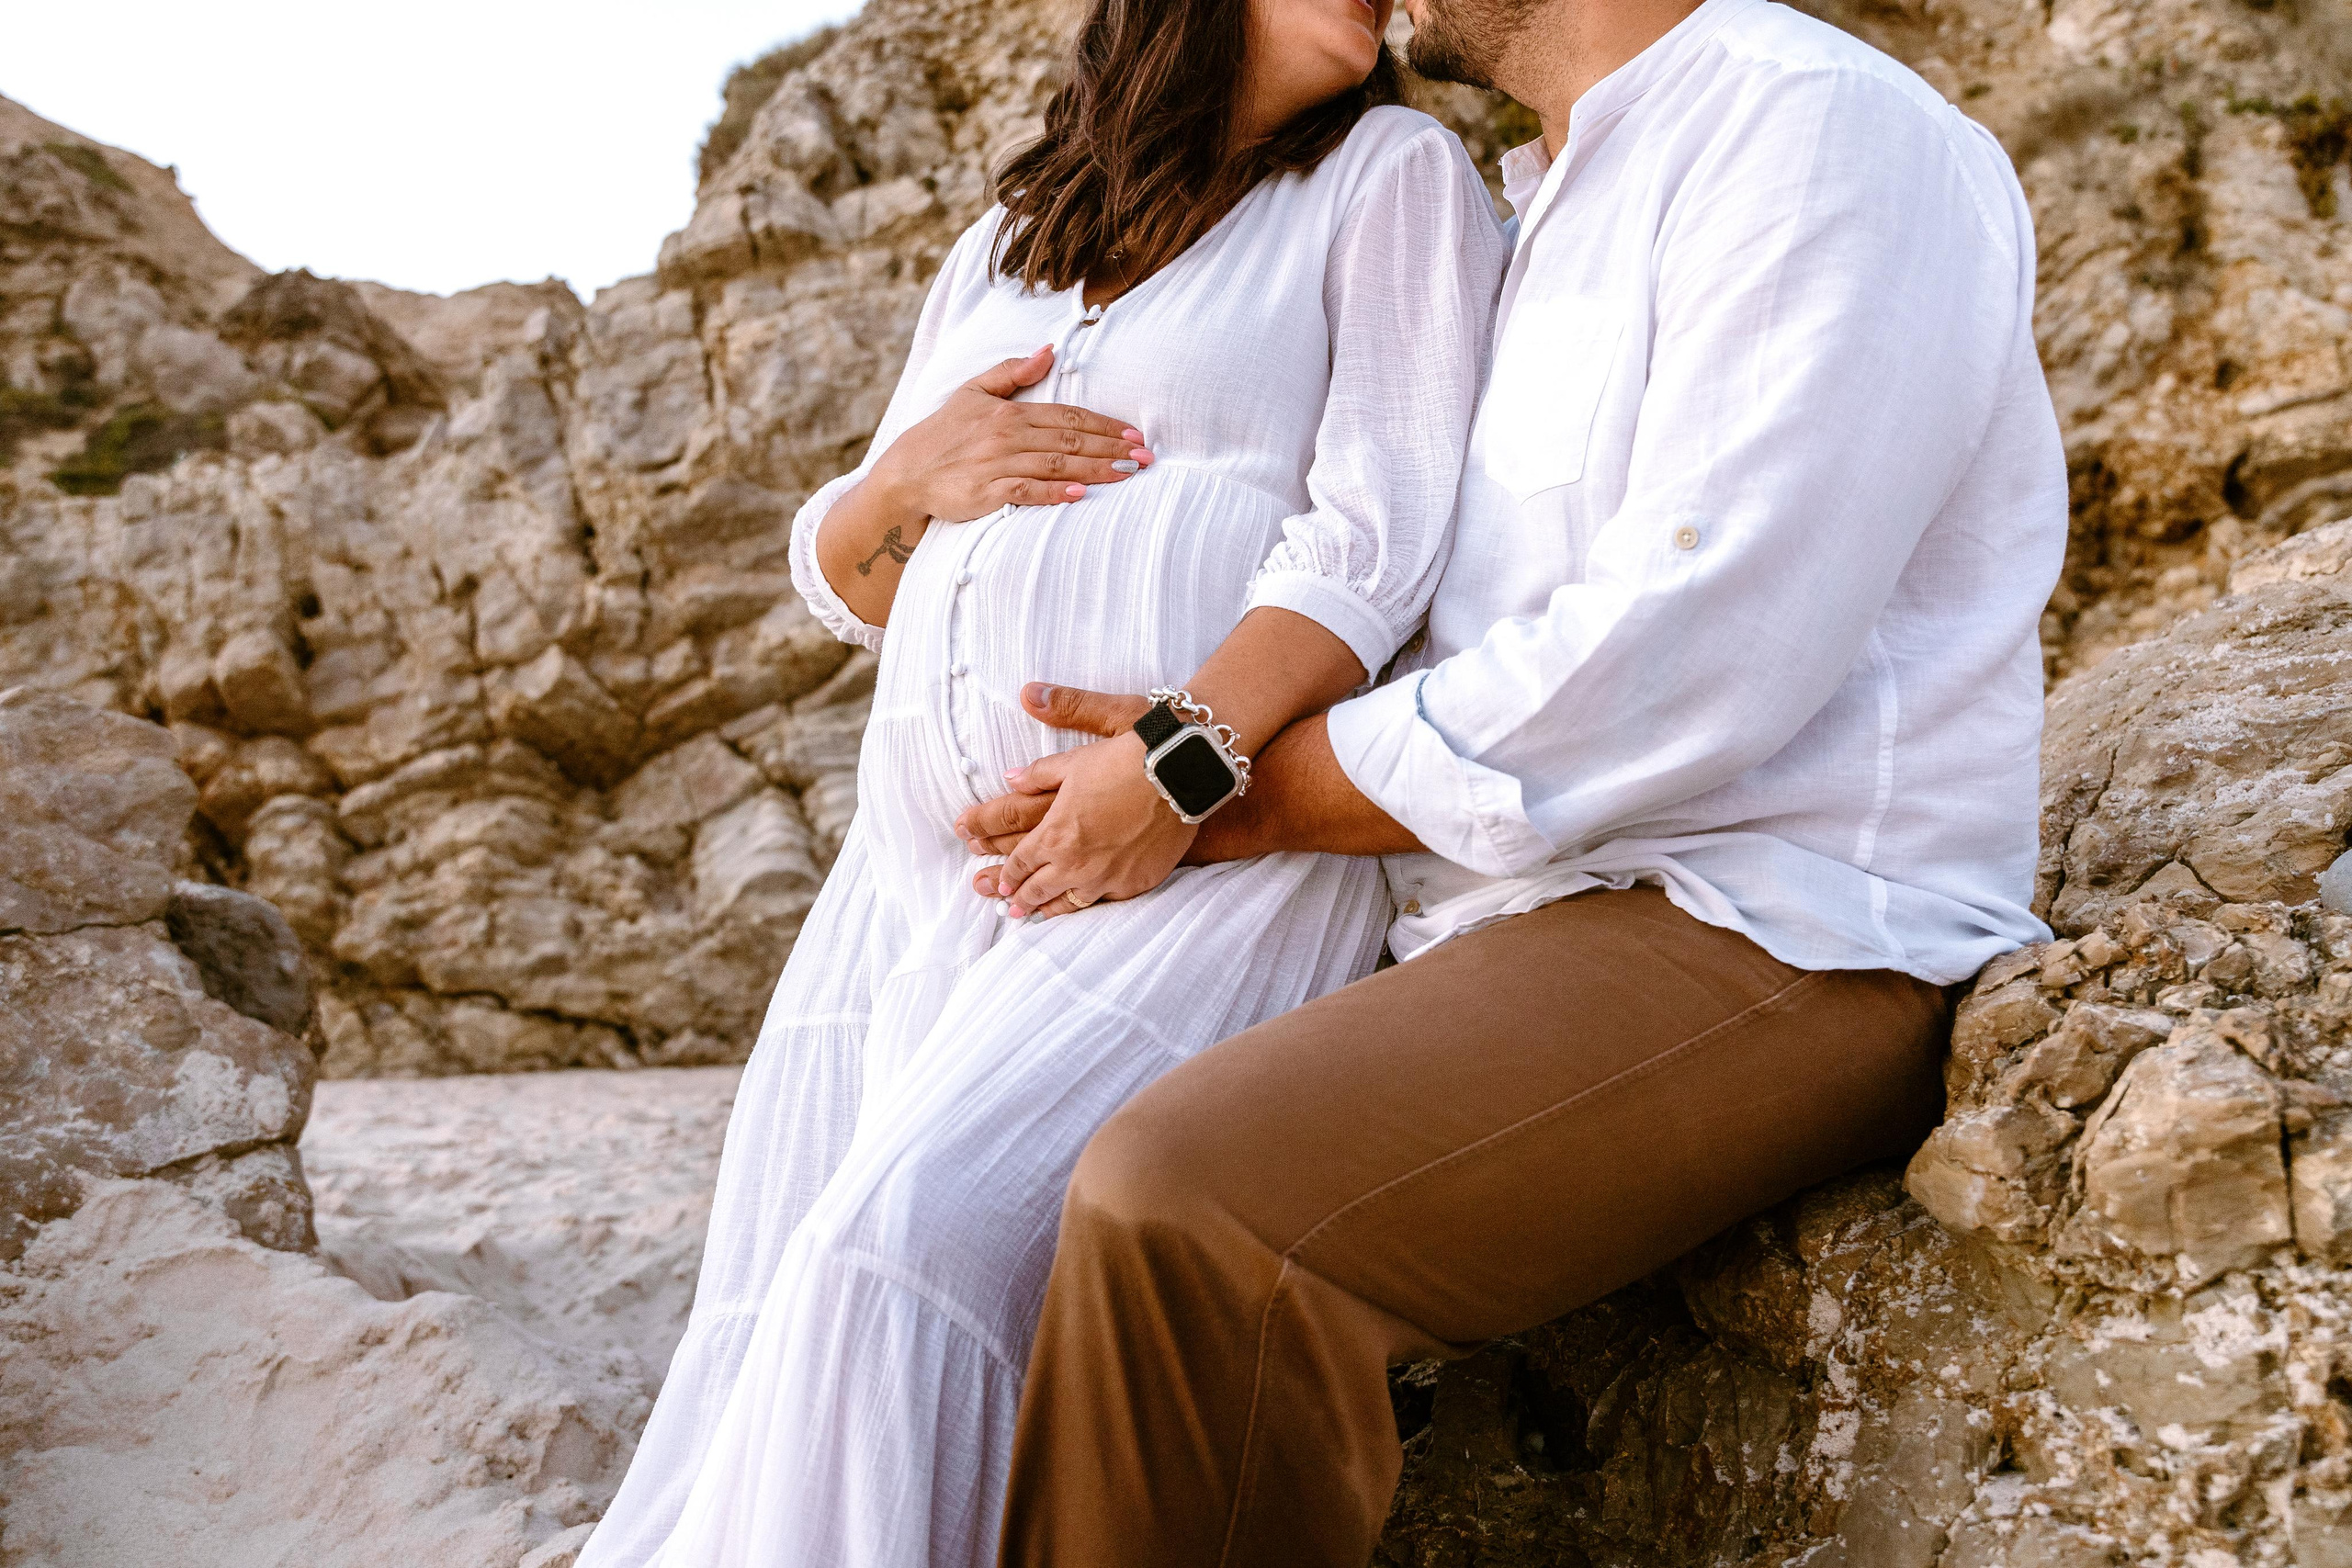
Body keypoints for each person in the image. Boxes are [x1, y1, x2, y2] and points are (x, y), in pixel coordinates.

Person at [957, 0, 2067, 1558]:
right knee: (980, 1175)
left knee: (1185, 1202)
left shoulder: (1812, 123)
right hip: (1504, 913)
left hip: (1772, 916)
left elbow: (1698, 647)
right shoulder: (1533, 212)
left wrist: (1212, 790)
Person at [576, 2, 1507, 1565]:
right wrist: (901, 481)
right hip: (914, 886)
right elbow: (858, 582)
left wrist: (1174, 765)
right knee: (779, 1294)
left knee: (900, 1245)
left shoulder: (1389, 174)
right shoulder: (1006, 242)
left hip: (1196, 856)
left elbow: (1380, 538)